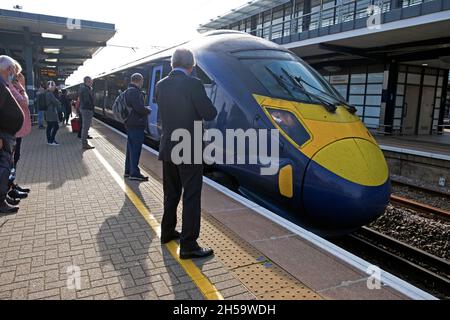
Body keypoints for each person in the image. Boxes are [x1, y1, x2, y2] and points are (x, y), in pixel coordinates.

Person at [156, 48, 217, 259]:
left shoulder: (160, 85)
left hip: (168, 146)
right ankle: (189, 245)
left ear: (173, 64)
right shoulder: (194, 84)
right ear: (191, 66)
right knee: (191, 195)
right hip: (189, 147)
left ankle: (167, 232)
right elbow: (209, 113)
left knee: (170, 193)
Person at [0, 55, 24, 214]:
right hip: (3, 135)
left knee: (5, 166)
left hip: (6, 133)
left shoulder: (3, 83)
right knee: (3, 167)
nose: (14, 75)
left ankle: (3, 196)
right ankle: (0, 202)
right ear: (9, 69)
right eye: (14, 72)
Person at [8, 60, 31, 198]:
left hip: (15, 129)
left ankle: (11, 185)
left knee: (14, 159)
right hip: (12, 130)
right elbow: (24, 101)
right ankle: (8, 189)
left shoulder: (11, 86)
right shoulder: (10, 87)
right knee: (10, 159)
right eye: (15, 73)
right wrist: (22, 88)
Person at [124, 73, 151, 181]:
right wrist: (147, 109)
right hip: (136, 124)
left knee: (130, 148)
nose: (143, 82)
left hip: (131, 123)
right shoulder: (134, 92)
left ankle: (128, 171)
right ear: (139, 80)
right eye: (142, 80)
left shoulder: (128, 90)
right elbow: (139, 108)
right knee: (135, 149)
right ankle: (134, 173)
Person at [79, 76, 95, 150]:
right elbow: (87, 100)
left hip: (85, 109)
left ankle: (84, 143)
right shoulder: (85, 89)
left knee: (85, 127)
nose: (92, 82)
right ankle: (84, 144)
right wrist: (91, 107)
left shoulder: (84, 88)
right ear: (88, 81)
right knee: (86, 127)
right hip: (87, 110)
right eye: (91, 81)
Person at [45, 81, 61, 146]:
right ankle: (51, 140)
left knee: (49, 126)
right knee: (56, 126)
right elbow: (55, 101)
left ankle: (49, 140)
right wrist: (59, 102)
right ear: (50, 86)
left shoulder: (47, 93)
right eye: (54, 85)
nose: (55, 87)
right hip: (51, 112)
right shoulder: (50, 93)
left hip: (48, 112)